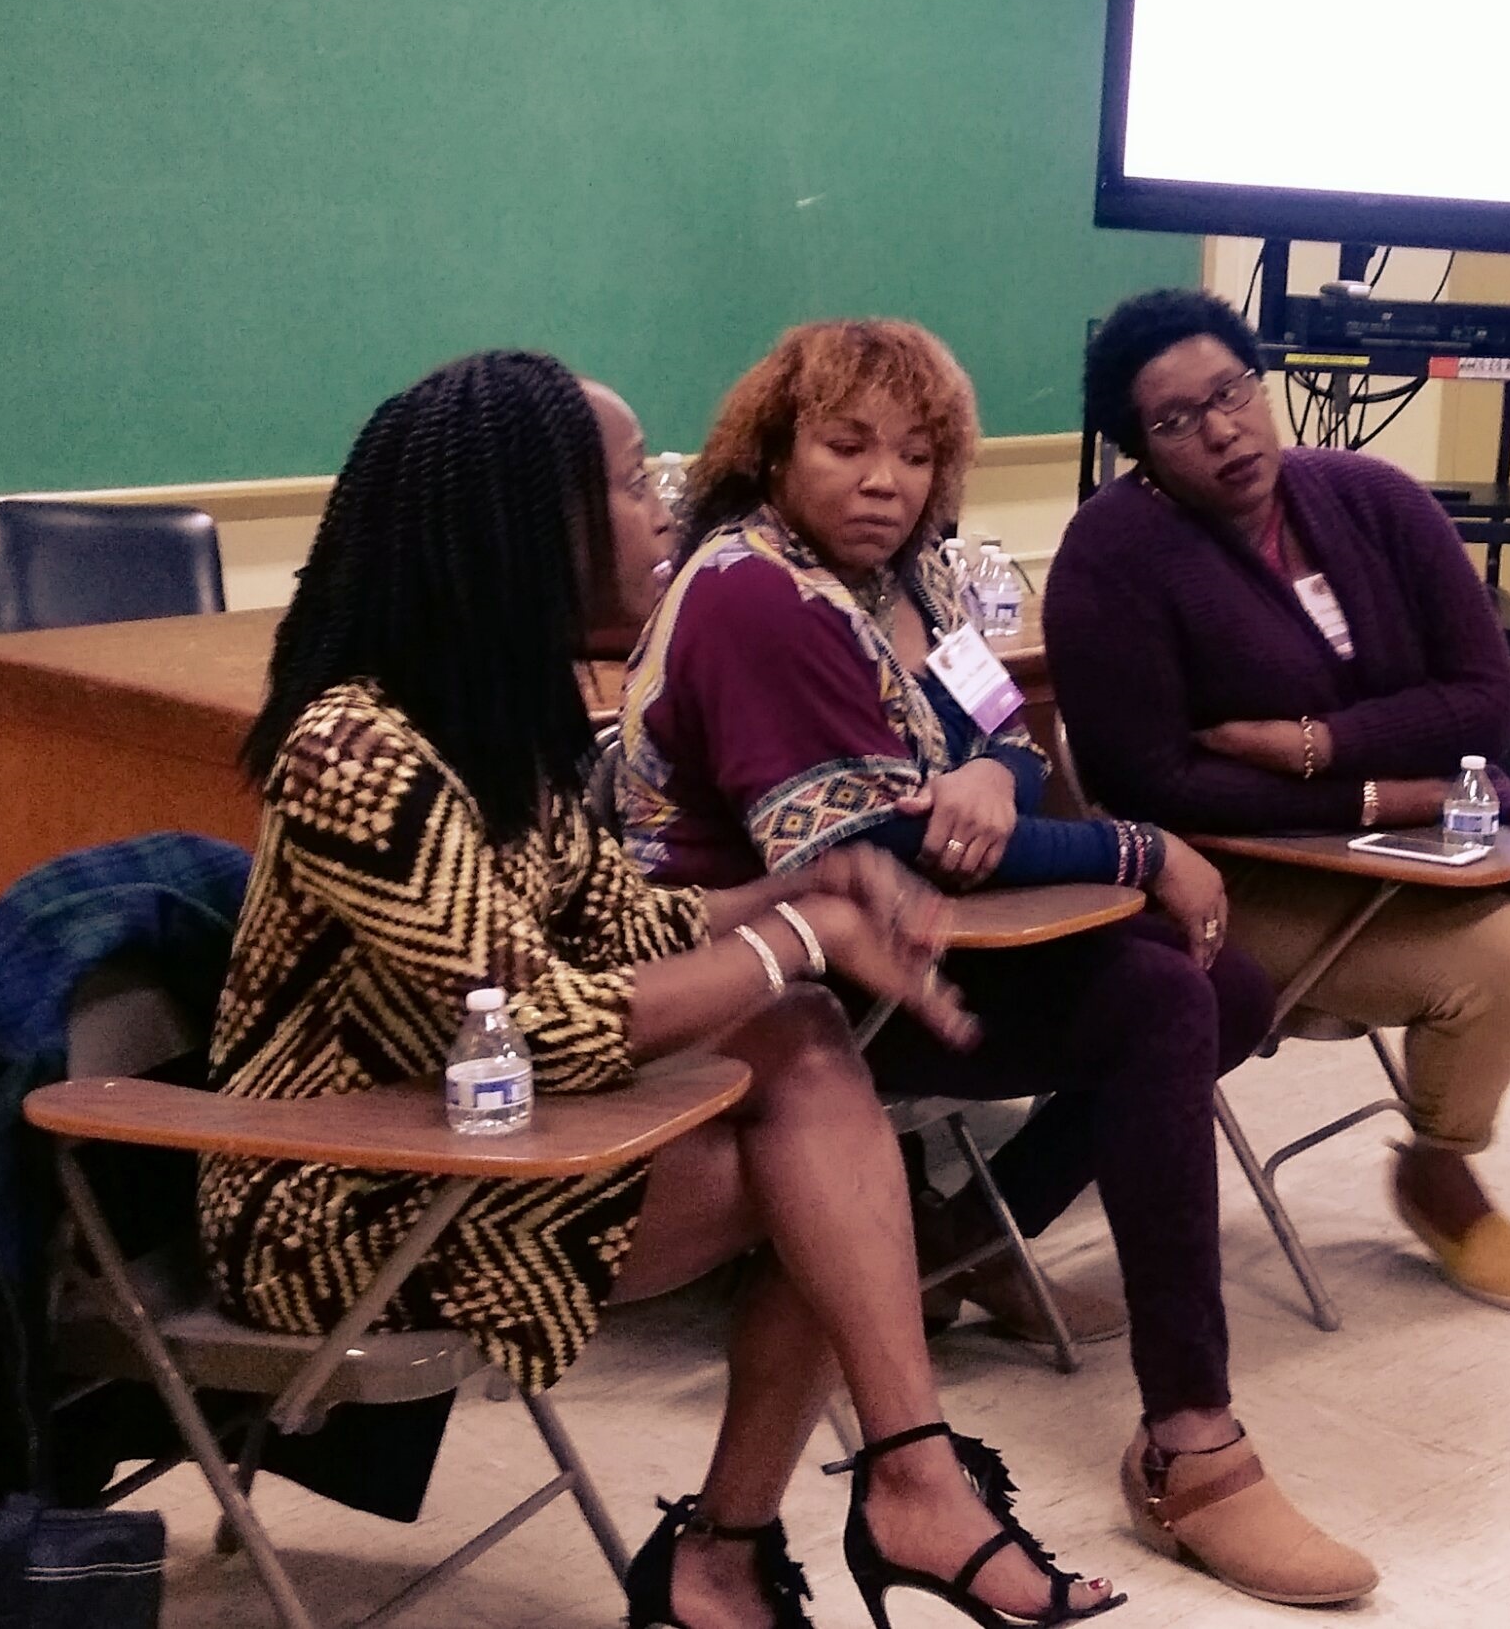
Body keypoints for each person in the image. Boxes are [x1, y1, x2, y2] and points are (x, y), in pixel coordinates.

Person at [202, 351, 1118, 1629]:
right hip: (335, 1193)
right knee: (831, 1186)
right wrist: (798, 934)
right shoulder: (355, 745)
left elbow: (632, 919)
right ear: (535, 520)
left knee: (811, 1093)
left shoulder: (491, 724)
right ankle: (804, 1519)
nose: (667, 509)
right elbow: (537, 1021)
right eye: (637, 483)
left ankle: (826, 1509)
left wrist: (825, 887)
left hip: (474, 1139)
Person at [619, 319, 1375, 1608]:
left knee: (1223, 984)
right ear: (771, 448)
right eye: (847, 446)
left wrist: (988, 769)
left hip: (902, 943)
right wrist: (1139, 844)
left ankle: (970, 1236)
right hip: (759, 981)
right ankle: (1191, 1442)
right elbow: (864, 843)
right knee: (1151, 998)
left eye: (915, 455)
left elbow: (1011, 740)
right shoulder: (754, 588)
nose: (885, 481)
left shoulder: (917, 578)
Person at [1045, 290, 1510, 1324]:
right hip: (1245, 872)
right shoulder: (1111, 554)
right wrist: (1370, 785)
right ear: (1141, 448)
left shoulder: (1368, 494)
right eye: (1178, 419)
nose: (1223, 428)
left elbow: (1484, 702)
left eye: (1231, 391)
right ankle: (1438, 1171)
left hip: (1422, 825)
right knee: (1499, 961)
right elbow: (1150, 782)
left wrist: (1317, 747)